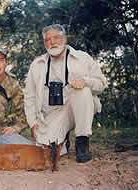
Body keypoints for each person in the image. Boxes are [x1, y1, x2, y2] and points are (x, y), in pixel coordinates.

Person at [24, 24, 107, 163]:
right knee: (46, 149)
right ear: (44, 43)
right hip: (52, 113)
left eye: (56, 37)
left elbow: (101, 83)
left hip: (77, 108)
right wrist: (32, 123)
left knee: (82, 90)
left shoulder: (82, 58)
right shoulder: (37, 64)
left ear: (65, 38)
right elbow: (29, 96)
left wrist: (85, 81)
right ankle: (64, 139)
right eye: (48, 40)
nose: (52, 42)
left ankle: (82, 141)